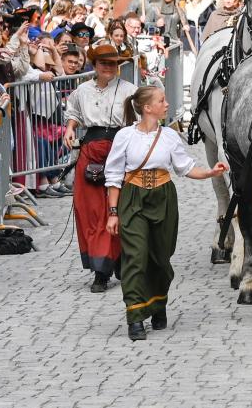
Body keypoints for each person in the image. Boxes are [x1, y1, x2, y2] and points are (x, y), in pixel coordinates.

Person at [104, 85, 228, 341]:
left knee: (161, 258)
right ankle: (135, 315)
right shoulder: (125, 136)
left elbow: (185, 167)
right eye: (162, 100)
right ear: (147, 108)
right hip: (133, 198)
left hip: (163, 198)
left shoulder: (170, 136)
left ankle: (158, 305)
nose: (167, 104)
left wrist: (210, 172)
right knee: (135, 257)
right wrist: (113, 212)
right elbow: (114, 177)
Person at [63, 43, 139, 293]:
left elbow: (140, 121)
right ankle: (100, 268)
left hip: (120, 148)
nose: (109, 68)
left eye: (113, 63)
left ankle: (118, 260)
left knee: (118, 208)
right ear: (94, 65)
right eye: (104, 63)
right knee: (92, 211)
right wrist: (71, 127)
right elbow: (73, 112)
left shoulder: (129, 90)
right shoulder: (82, 90)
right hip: (91, 150)